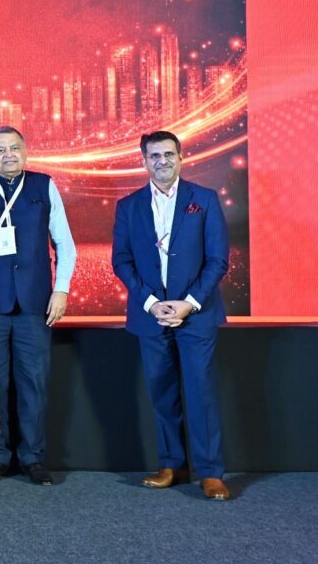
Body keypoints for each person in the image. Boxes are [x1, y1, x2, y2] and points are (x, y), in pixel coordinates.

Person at [111, 130, 231, 500]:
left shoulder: (204, 199)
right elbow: (122, 261)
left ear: (180, 157)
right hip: (151, 315)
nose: (162, 161)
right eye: (154, 156)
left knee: (200, 392)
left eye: (168, 154)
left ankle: (210, 473)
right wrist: (151, 303)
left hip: (196, 315)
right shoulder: (128, 206)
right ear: (144, 161)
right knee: (162, 394)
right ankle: (172, 466)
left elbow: (217, 260)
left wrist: (188, 303)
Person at [0, 126, 76, 486]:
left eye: (14, 148)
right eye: (0, 150)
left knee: (33, 383)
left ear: (25, 151)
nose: (8, 155)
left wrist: (61, 290)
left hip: (35, 304)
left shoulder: (44, 186)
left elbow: (65, 243)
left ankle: (32, 457)